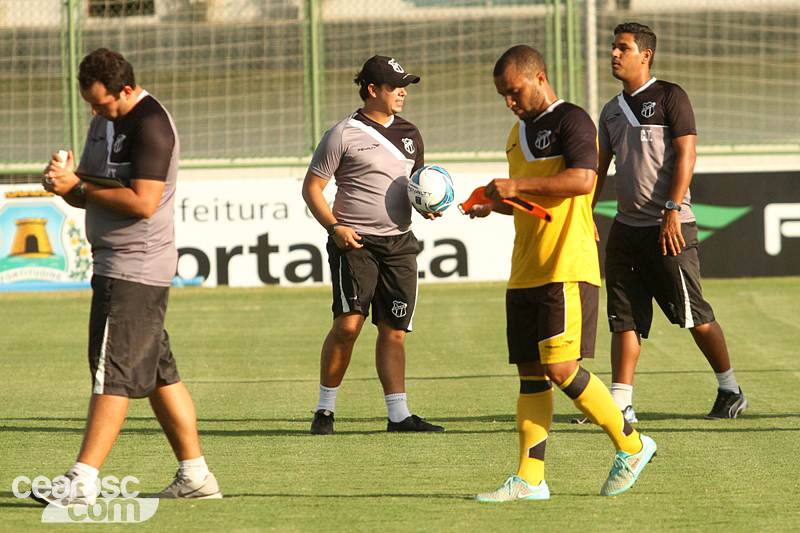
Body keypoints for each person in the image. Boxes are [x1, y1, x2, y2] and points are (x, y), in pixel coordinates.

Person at [33, 48, 221, 507]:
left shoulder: (151, 124)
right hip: (115, 263)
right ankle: (195, 475)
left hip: (134, 267)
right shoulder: (103, 119)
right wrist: (65, 182)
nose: (95, 113)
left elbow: (142, 202)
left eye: (102, 104)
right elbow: (94, 192)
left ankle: (82, 480)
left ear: (127, 90)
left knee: (111, 373)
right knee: (159, 372)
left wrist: (76, 187)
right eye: (90, 105)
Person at [469, 45, 656, 501]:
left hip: (565, 266)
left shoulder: (571, 119)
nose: (510, 102)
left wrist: (515, 185)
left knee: (560, 367)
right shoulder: (516, 135)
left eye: (514, 92)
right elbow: (532, 202)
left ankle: (631, 445)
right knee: (531, 375)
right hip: (526, 270)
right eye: (503, 96)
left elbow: (583, 180)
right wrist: (492, 205)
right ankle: (530, 479)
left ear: (539, 77)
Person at [595, 22, 747, 422]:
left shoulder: (670, 96)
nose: (614, 53)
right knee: (623, 317)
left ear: (645, 55)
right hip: (626, 230)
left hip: (670, 227)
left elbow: (687, 156)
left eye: (622, 48)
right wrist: (582, 215)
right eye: (613, 47)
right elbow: (597, 168)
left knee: (693, 316)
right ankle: (620, 403)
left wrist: (672, 209)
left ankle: (730, 389)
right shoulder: (610, 110)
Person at [302, 55, 445, 435]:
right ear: (372, 90)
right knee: (349, 326)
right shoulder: (342, 134)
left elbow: (417, 184)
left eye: (406, 85)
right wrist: (335, 228)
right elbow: (312, 189)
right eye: (396, 86)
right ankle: (325, 411)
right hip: (356, 243)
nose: (403, 92)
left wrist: (427, 206)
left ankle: (398, 415)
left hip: (399, 243)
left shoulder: (411, 133)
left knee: (393, 330)